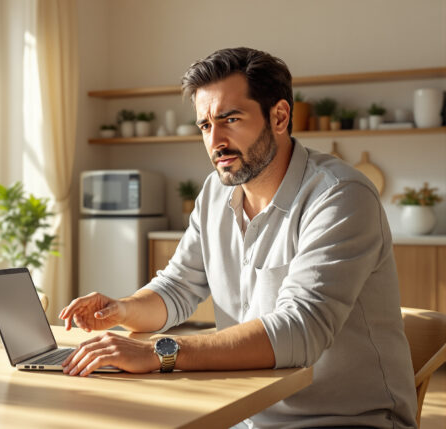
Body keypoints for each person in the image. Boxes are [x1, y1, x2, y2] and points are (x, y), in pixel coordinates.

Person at [59, 47, 417, 428]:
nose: (215, 141)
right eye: (205, 126)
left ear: (279, 117)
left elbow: (300, 330)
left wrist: (160, 352)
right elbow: (178, 287)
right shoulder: (215, 193)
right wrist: (122, 310)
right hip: (245, 414)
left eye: (230, 119)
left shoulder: (340, 196)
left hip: (345, 420)